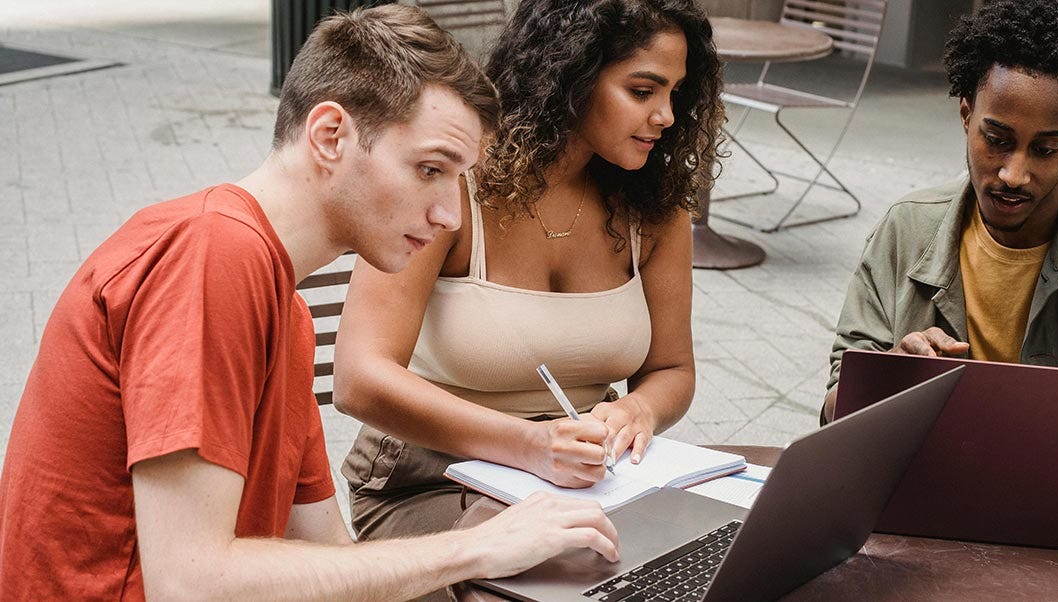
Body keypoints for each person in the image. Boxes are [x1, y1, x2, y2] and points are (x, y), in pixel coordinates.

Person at [0, 6, 621, 600]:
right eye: (431, 169)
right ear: (330, 135)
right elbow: (190, 582)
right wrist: (479, 549)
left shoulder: (285, 309)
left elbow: (324, 549)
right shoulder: (212, 254)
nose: (449, 214)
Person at [821, 1, 1058, 597]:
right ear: (966, 114)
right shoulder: (906, 230)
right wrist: (890, 378)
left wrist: (1054, 465)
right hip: (937, 506)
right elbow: (833, 412)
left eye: (1046, 148)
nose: (1014, 174)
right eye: (996, 140)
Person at [334, 0, 722, 561]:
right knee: (563, 571)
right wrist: (531, 445)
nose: (665, 115)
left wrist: (641, 411)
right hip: (432, 475)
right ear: (573, 75)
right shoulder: (454, 177)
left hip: (587, 479)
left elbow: (671, 369)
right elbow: (359, 378)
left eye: (675, 94)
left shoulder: (653, 207)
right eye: (643, 91)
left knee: (709, 559)